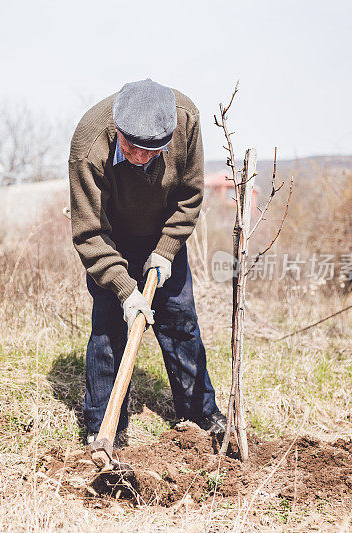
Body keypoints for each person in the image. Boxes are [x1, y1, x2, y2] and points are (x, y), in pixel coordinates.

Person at [68, 78, 226, 446]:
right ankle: (103, 426)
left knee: (180, 320)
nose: (141, 158)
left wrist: (167, 247)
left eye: (153, 151)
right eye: (133, 148)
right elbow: (88, 231)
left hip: (161, 234)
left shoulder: (186, 120)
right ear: (117, 129)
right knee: (109, 328)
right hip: (109, 238)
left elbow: (190, 195)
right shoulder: (88, 145)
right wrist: (126, 291)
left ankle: (200, 413)